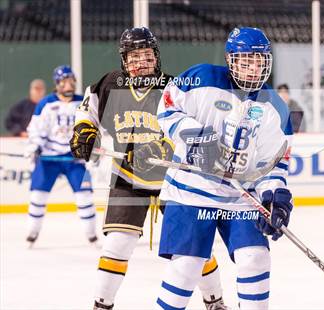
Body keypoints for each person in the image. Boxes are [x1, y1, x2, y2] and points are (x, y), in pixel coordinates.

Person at [70, 27, 227, 310]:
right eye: (133, 57)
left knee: (193, 250)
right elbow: (86, 110)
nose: (140, 62)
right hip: (128, 178)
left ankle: (214, 301)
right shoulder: (110, 84)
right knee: (117, 244)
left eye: (145, 55)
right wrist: (84, 131)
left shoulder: (175, 88)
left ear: (156, 56)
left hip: (175, 180)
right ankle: (101, 306)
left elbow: (198, 127)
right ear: (124, 61)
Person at [154, 27, 293, 309]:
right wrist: (197, 136)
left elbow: (272, 164)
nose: (253, 69)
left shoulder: (275, 107)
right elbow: (167, 110)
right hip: (191, 191)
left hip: (241, 197)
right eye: (246, 61)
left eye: (259, 62)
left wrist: (274, 195)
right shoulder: (201, 77)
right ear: (231, 60)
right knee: (187, 267)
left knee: (255, 258)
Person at [25, 66, 97, 246]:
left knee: (85, 196)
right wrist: (35, 146)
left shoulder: (83, 102)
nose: (68, 84)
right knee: (37, 197)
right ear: (57, 83)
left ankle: (92, 235)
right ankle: (32, 233)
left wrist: (92, 147)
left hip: (75, 159)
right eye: (64, 81)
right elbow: (36, 129)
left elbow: (93, 127)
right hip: (49, 158)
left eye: (71, 80)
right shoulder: (46, 103)